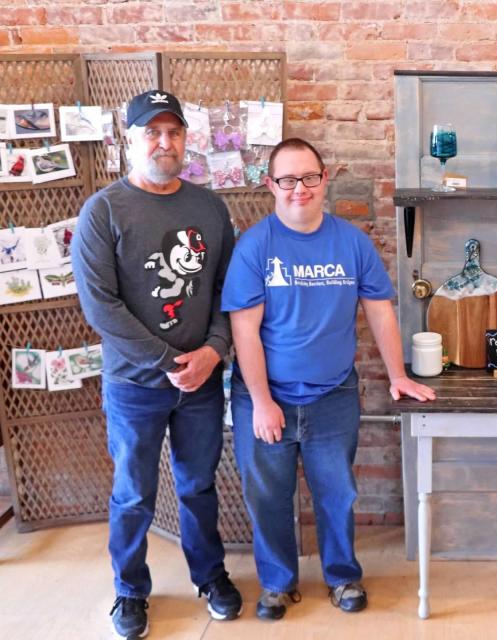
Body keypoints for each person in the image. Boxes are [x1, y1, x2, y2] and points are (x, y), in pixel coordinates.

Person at [222, 138, 436, 621]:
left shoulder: (351, 242)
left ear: (324, 179)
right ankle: (277, 584)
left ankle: (342, 576)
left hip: (333, 396)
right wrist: (261, 402)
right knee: (269, 496)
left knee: (337, 492)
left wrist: (398, 375)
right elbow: (245, 331)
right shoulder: (255, 246)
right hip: (266, 396)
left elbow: (380, 313)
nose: (300, 189)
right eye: (288, 180)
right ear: (271, 185)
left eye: (310, 178)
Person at [74, 90, 242, 638]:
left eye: (173, 132)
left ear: (186, 141)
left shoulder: (209, 207)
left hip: (202, 380)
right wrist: (171, 360)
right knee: (132, 492)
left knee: (197, 486)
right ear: (129, 138)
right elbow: (102, 307)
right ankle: (129, 590)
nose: (164, 142)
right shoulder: (103, 211)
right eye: (152, 132)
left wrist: (213, 351)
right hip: (135, 385)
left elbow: (226, 289)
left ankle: (210, 576)